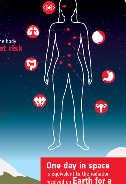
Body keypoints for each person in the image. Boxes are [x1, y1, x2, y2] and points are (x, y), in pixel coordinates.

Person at [45, 0, 93, 150]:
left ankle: (81, 141)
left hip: (75, 66)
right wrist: (47, 71)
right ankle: (56, 141)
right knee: (57, 105)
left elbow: (86, 52)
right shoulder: (55, 27)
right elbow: (50, 51)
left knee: (77, 106)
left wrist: (88, 71)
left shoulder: (81, 27)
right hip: (60, 66)